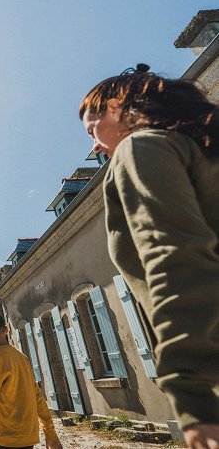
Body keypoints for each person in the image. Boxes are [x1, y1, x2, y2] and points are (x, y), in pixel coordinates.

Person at [80, 65, 219, 449]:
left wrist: (191, 396)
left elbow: (176, 258)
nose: (93, 145)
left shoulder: (141, 147)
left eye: (93, 129)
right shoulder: (199, 148)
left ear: (118, 108)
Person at [0, 309, 62, 449]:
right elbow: (37, 396)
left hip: (8, 434)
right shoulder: (22, 357)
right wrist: (50, 432)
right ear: (6, 329)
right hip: (29, 433)